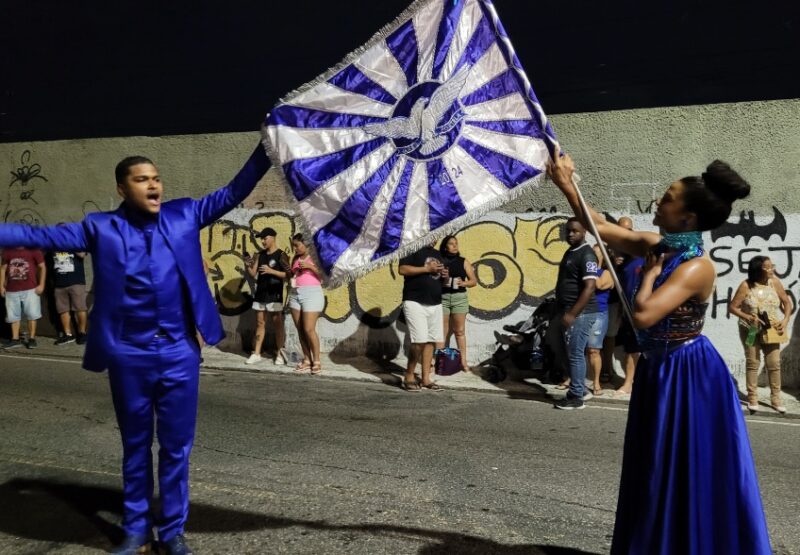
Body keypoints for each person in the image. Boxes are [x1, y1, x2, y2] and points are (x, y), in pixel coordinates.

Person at [0, 144, 270, 555]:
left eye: (156, 177)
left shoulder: (185, 214)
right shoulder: (99, 227)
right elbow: (37, 235)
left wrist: (266, 149)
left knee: (177, 447)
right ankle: (136, 529)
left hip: (180, 351)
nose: (153, 184)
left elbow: (234, 190)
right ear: (122, 189)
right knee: (136, 445)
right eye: (142, 179)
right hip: (129, 354)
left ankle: (173, 531)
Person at [549, 153, 771, 554]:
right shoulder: (659, 245)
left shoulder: (696, 267)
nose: (657, 202)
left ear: (687, 217)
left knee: (688, 469)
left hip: (689, 373)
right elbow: (599, 227)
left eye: (667, 197)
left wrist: (649, 275)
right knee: (653, 467)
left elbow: (646, 315)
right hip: (660, 370)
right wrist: (565, 182)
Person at [729, 255, 793, 413]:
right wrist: (748, 317)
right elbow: (733, 307)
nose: (773, 269)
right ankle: (752, 398)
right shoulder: (746, 285)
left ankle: (776, 399)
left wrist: (785, 320)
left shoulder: (775, 282)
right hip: (750, 330)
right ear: (759, 270)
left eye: (772, 266)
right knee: (753, 362)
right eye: (768, 267)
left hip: (771, 329)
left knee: (774, 364)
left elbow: (786, 302)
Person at [553, 217, 599, 410]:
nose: (571, 234)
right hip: (568, 309)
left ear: (584, 232)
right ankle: (581, 389)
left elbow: (589, 288)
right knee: (569, 351)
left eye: (575, 231)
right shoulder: (571, 251)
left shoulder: (587, 254)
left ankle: (575, 397)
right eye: (568, 231)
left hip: (581, 313)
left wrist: (572, 314)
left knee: (575, 354)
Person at [398, 242, 447, 391]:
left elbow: (440, 280)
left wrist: (444, 277)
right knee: (419, 340)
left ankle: (426, 379)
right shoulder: (411, 248)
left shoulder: (438, 254)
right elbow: (402, 269)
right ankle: (409, 375)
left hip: (435, 303)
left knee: (431, 341)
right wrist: (427, 268)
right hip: (414, 301)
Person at [245, 227, 289, 366]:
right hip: (261, 294)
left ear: (273, 237)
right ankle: (256, 353)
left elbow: (288, 275)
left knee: (277, 324)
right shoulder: (259, 255)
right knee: (260, 323)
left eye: (265, 238)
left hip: (275, 294)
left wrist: (271, 271)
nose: (263, 241)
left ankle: (280, 354)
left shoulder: (282, 255)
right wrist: (248, 265)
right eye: (261, 239)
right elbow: (253, 273)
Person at [437, 235, 477, 372]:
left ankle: (463, 362)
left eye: (456, 243)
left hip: (459, 298)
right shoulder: (440, 261)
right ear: (445, 246)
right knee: (442, 332)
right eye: (451, 243)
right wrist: (442, 278)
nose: (455, 246)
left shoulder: (464, 261)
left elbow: (474, 281)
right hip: (442, 297)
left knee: (459, 331)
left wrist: (463, 283)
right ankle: (439, 362)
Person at [286, 233, 325, 375]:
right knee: (300, 329)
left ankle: (317, 360)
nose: (295, 249)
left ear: (306, 243)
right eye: (293, 246)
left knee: (309, 329)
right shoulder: (295, 258)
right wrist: (289, 271)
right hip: (295, 293)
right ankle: (307, 360)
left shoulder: (315, 257)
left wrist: (310, 266)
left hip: (312, 293)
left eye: (297, 245)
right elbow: (293, 276)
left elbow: (324, 276)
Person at [0, 246, 46, 349]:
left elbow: (42, 266)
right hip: (11, 289)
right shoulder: (7, 250)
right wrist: (1, 286)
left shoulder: (34, 250)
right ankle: (15, 339)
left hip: (30, 288)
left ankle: (32, 339)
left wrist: (41, 284)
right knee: (13, 315)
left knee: (32, 315)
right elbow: (3, 268)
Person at [49, 243, 89, 345]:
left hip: (76, 282)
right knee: (63, 310)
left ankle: (82, 333)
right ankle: (68, 335)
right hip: (59, 284)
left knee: (80, 308)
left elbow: (82, 254)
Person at [588, 244, 613, 395]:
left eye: (596, 252)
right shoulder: (585, 270)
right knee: (576, 350)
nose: (592, 254)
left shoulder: (607, 273)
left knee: (593, 350)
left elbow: (597, 284)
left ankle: (596, 383)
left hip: (598, 313)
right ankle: (571, 379)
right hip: (582, 312)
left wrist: (592, 266)